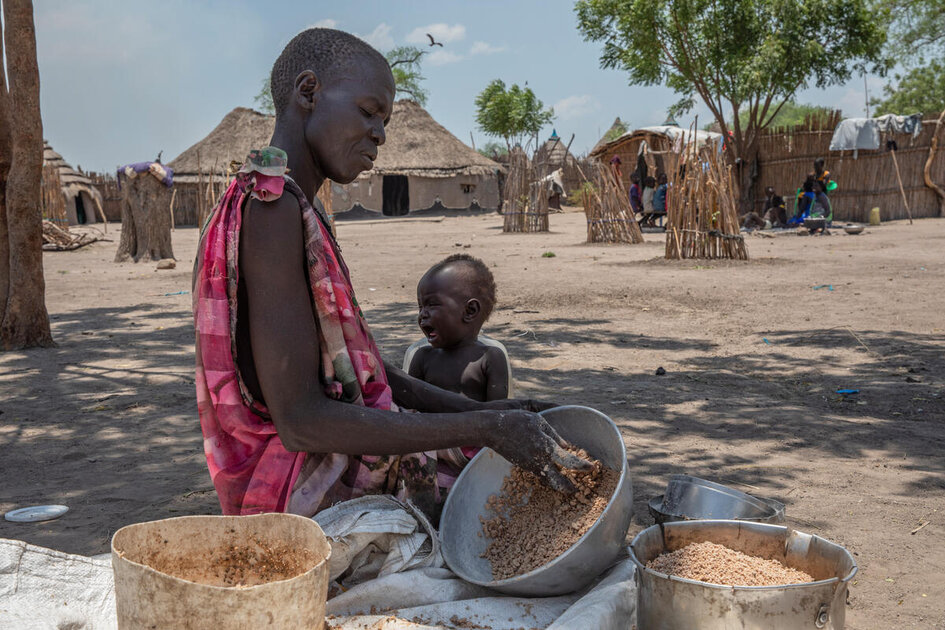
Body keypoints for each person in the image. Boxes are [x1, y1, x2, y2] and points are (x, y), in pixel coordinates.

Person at [191, 28, 589, 521]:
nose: (379, 133)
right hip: (302, 491)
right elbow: (301, 423)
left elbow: (371, 375)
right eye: (367, 111)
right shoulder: (270, 212)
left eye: (384, 120)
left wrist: (496, 412)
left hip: (322, 458)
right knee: (517, 506)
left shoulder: (293, 207)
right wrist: (485, 429)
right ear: (308, 92)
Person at [408, 254, 509, 403]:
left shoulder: (489, 358)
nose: (422, 314)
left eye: (432, 304)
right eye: (420, 307)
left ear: (470, 311)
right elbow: (409, 409)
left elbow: (498, 416)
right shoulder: (422, 358)